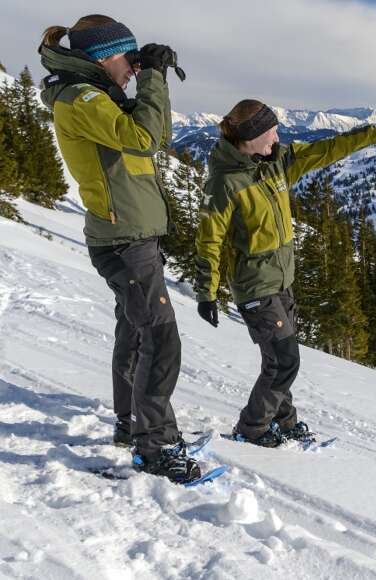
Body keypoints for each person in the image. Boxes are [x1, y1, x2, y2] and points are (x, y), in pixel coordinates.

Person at [38, 14, 200, 483]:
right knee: (160, 337)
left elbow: (150, 136)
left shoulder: (97, 97)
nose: (131, 68)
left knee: (136, 332)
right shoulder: (82, 98)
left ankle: (134, 427)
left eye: (135, 62)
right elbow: (145, 137)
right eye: (127, 60)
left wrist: (152, 77)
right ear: (103, 57)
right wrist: (152, 75)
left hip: (132, 235)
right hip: (123, 240)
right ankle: (156, 446)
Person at [194, 99, 376, 447]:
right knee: (284, 361)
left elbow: (327, 150)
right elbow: (209, 238)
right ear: (250, 137)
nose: (277, 138)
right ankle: (252, 429)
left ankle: (283, 419)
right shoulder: (225, 183)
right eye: (271, 132)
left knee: (278, 359)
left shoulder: (276, 163)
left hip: (282, 281)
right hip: (255, 287)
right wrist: (206, 292)